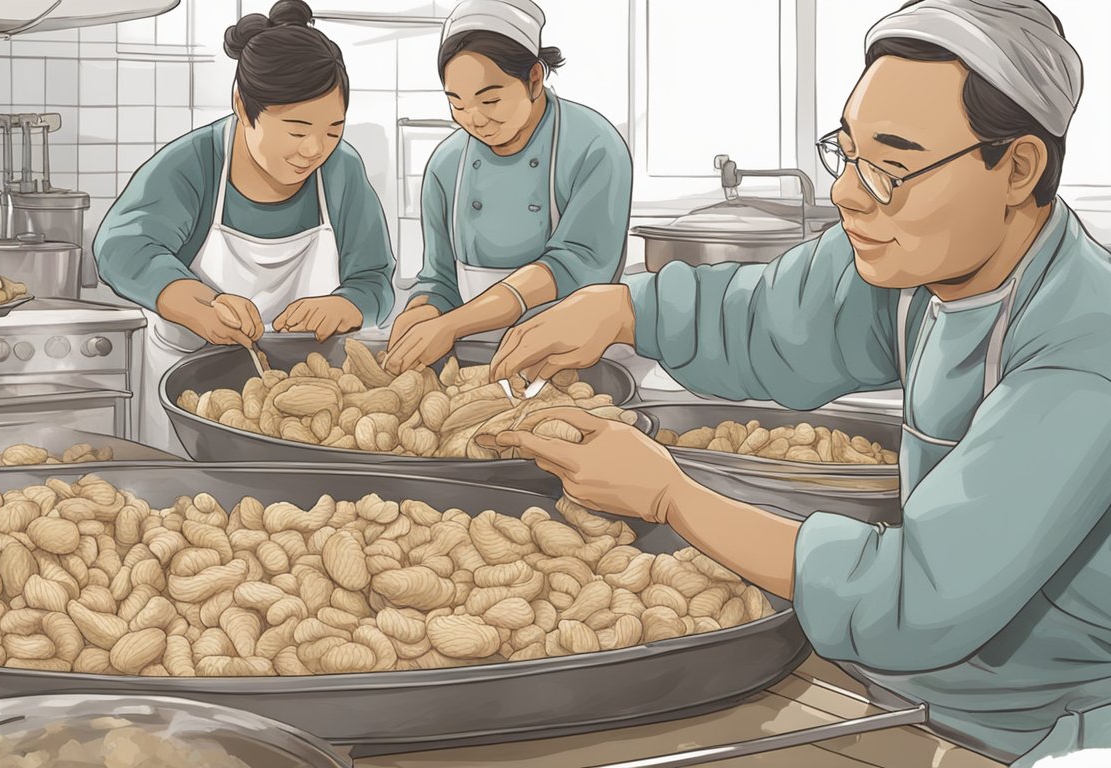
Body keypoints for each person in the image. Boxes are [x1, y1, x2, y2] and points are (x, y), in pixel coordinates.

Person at [486, 1, 1111, 765]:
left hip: (1040, 733)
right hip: (904, 691)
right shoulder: (919, 264)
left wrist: (668, 494)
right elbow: (772, 318)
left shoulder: (1087, 351)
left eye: (892, 167)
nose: (850, 193)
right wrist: (619, 309)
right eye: (846, 154)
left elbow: (920, 598)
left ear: (1018, 169)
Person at [94, 0, 395, 454]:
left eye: (333, 130)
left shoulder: (342, 171)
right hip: (188, 397)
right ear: (242, 104)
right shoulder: (194, 164)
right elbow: (120, 246)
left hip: (304, 405)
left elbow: (375, 280)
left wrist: (348, 305)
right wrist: (198, 304)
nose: (315, 149)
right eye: (296, 130)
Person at [382, 0, 631, 373]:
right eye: (457, 104)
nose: (474, 120)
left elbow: (576, 266)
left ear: (534, 78)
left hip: (568, 357)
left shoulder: (594, 146)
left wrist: (451, 325)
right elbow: (439, 279)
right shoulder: (447, 164)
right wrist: (421, 312)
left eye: (490, 99)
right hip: (466, 363)